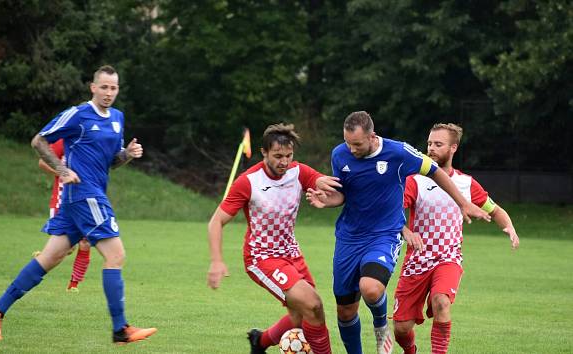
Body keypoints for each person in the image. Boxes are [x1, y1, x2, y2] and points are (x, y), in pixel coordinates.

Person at [0, 65, 157, 344]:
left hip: (89, 194)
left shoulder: (118, 118)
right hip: (84, 195)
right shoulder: (78, 114)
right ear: (93, 87)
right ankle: (120, 329)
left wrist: (128, 154)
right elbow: (39, 141)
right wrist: (62, 170)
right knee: (116, 255)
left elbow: (112, 162)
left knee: (50, 258)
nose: (109, 93)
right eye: (104, 87)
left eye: (114, 88)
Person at [305, 111, 491, 354]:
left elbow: (435, 170)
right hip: (349, 238)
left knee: (370, 288)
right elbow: (343, 193)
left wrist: (462, 203)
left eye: (357, 144)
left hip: (384, 234)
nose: (351, 149)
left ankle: (381, 324)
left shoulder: (399, 152)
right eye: (348, 143)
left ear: (372, 136)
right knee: (345, 310)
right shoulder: (340, 154)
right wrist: (327, 201)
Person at [207, 123, 341, 354]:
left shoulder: (298, 172)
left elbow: (329, 187)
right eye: (278, 156)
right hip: (262, 258)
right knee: (314, 305)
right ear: (264, 153)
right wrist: (217, 260)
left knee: (300, 316)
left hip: (292, 253)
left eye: (289, 156)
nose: (284, 162)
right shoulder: (248, 182)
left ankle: (260, 342)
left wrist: (330, 193)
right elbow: (216, 222)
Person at [393, 123, 520, 354]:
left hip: (448, 258)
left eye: (438, 144)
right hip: (417, 261)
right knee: (401, 328)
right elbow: (392, 214)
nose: (431, 148)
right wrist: (406, 232)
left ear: (453, 148)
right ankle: (410, 350)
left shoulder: (466, 183)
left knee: (441, 302)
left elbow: (495, 210)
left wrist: (509, 226)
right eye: (429, 143)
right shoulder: (414, 180)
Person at [37, 138, 92, 292]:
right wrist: (63, 173)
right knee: (66, 248)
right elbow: (42, 162)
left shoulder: (92, 140)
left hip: (85, 200)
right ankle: (41, 259)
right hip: (62, 200)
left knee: (86, 242)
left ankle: (73, 285)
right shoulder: (64, 141)